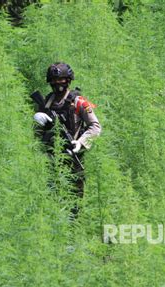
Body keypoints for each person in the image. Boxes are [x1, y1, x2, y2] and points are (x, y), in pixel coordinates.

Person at [33, 63, 101, 217]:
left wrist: (81, 143)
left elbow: (95, 126)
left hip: (72, 155)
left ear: (68, 80)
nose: (58, 84)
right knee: (52, 197)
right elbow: (36, 134)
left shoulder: (78, 101)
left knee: (75, 201)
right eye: (55, 80)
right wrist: (39, 122)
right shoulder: (47, 102)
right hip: (51, 157)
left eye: (62, 80)